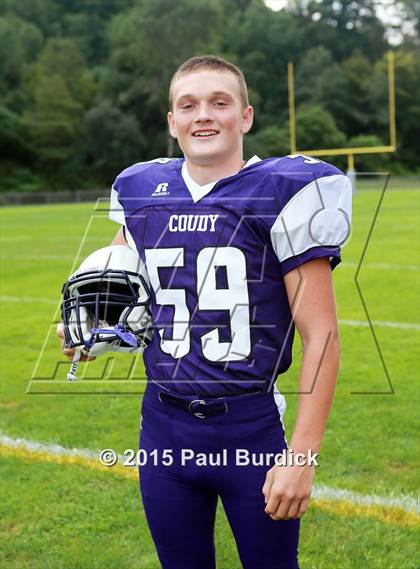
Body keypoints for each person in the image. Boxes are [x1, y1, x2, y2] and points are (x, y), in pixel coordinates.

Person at [58, 55, 351, 569]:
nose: (203, 115)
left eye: (220, 102)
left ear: (246, 116)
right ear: (172, 123)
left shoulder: (281, 193)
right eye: (188, 105)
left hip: (249, 428)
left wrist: (301, 458)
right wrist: (93, 331)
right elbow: (123, 290)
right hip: (164, 429)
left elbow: (322, 335)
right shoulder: (142, 190)